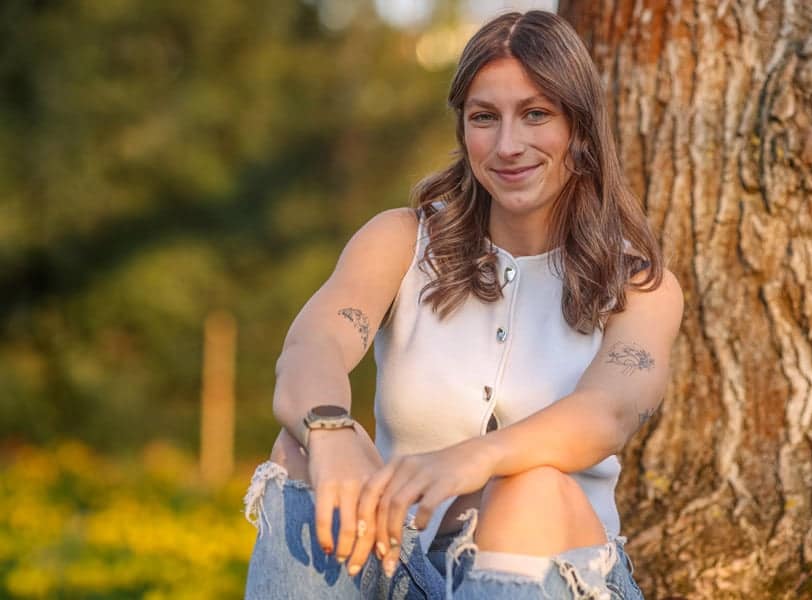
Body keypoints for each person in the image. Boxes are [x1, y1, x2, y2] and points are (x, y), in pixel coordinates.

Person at [243, 9, 683, 600]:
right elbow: (313, 344)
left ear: (578, 127)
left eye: (535, 114)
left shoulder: (637, 285)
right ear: (463, 129)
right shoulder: (402, 241)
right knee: (301, 450)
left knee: (531, 489)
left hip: (555, 575)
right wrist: (329, 429)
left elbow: (607, 413)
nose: (508, 145)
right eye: (484, 118)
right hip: (400, 564)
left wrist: (475, 458)